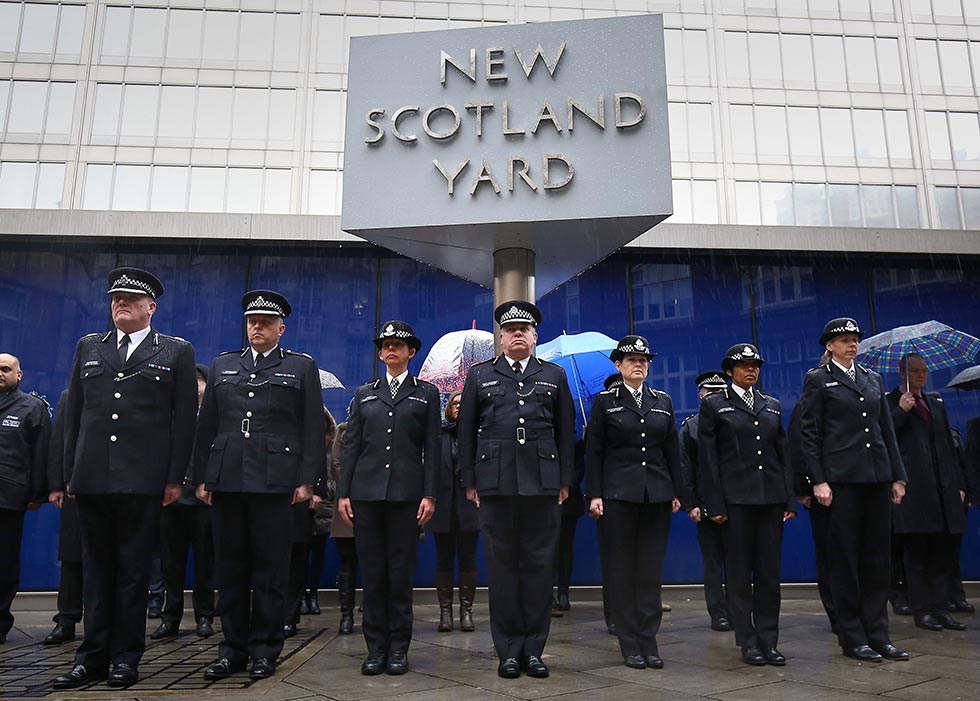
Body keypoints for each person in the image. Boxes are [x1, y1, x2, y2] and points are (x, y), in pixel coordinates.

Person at [54, 268, 198, 689]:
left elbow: (184, 421)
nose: (120, 303)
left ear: (150, 308)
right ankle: (91, 656)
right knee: (95, 570)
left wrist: (175, 478)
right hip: (93, 476)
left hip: (143, 479)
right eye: (115, 297)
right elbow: (74, 417)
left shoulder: (174, 351)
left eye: (130, 300)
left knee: (134, 571)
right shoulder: (89, 347)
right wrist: (69, 474)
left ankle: (125, 657)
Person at [194, 290, 325, 681]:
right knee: (230, 569)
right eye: (252, 321)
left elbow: (311, 428)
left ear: (280, 328)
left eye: (266, 322)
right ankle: (232, 648)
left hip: (275, 482)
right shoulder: (223, 365)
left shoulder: (300, 367)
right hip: (229, 478)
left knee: (270, 571)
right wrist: (200, 476)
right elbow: (208, 425)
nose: (257, 327)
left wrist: (307, 480)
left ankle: (265, 649)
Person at [459, 300, 575, 679]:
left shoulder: (554, 376)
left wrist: (563, 481)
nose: (518, 334)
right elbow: (466, 433)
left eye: (525, 329)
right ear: (502, 338)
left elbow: (565, 433)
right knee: (503, 567)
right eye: (511, 330)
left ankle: (534, 649)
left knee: (540, 568)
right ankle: (508, 650)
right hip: (496, 485)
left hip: (542, 485)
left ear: (535, 337)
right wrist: (471, 481)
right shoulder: (480, 376)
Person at [799, 317, 909, 663]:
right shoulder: (818, 380)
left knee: (877, 560)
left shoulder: (871, 378)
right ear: (829, 345)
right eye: (844, 339)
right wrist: (818, 479)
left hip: (875, 477)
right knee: (844, 562)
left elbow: (885, 430)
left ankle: (879, 634)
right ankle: (852, 636)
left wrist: (897, 476)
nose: (851, 344)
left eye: (854, 339)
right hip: (841, 481)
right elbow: (809, 433)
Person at [337, 320, 441, 676]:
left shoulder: (426, 394)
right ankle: (375, 647)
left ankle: (398, 647)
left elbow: (432, 448)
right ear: (380, 352)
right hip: (366, 496)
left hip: (405, 498)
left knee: (399, 574)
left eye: (398, 344)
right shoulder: (364, 394)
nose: (391, 349)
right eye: (385, 344)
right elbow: (351, 448)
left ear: (411, 351)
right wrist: (343, 493)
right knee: (374, 574)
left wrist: (430, 494)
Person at [585, 335, 683, 670]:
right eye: (631, 360)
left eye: (643, 359)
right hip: (618, 496)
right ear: (618, 365)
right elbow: (594, 452)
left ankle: (648, 639)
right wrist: (594, 494)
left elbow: (672, 450)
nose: (639, 364)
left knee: (650, 570)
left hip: (656, 494)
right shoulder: (605, 403)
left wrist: (677, 492)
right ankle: (629, 642)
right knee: (623, 569)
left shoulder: (662, 401)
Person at [698, 344, 796, 667]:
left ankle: (769, 639)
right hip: (736, 503)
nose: (751, 369)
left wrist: (788, 498)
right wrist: (714, 503)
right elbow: (708, 459)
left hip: (769, 500)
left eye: (755, 365)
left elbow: (783, 455)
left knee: (770, 573)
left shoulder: (772, 406)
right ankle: (748, 640)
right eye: (743, 366)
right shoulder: (715, 405)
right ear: (730, 371)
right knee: (739, 574)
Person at [887, 353, 968, 632]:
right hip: (913, 488)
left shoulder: (935, 402)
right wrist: (901, 411)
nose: (921, 375)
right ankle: (922, 609)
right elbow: (885, 439)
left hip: (941, 487)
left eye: (924, 370)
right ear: (902, 373)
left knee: (941, 550)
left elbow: (946, 444)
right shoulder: (889, 402)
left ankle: (941, 607)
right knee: (915, 552)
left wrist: (958, 484)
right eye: (915, 371)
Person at [151, 363, 215, 640]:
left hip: (202, 502)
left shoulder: (213, 417)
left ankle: (204, 617)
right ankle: (170, 617)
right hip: (172, 502)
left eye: (199, 381)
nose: (194, 387)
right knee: (171, 564)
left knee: (204, 565)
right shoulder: (171, 415)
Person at [0, 353, 51, 644]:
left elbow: (41, 454)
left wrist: (37, 494)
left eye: (6, 369)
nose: (0, 373)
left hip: (9, 498)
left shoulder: (32, 408)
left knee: (4, 564)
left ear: (19, 375)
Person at [425, 389, 480, 633]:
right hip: (443, 504)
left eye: (463, 402)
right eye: (454, 402)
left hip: (469, 505)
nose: (458, 406)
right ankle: (445, 612)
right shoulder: (438, 435)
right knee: (443, 558)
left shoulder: (477, 435)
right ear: (448, 407)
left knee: (468, 557)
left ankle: (466, 611)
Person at [680, 370, 730, 632]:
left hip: (735, 502)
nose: (716, 398)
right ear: (701, 395)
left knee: (738, 561)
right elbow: (685, 468)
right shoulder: (691, 426)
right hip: (707, 504)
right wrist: (693, 504)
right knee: (713, 562)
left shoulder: (735, 420)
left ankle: (737, 608)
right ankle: (718, 612)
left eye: (720, 392)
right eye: (711, 393)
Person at [284, 407, 336, 637]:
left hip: (304, 502)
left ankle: (290, 615)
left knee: (299, 558)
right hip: (278, 495)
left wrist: (317, 489)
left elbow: (322, 461)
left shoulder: (316, 424)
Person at [44, 389, 83, 646]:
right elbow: (59, 439)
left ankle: (106, 620)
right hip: (75, 489)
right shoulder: (71, 395)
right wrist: (56, 484)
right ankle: (67, 620)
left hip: (117, 487)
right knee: (72, 557)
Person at [329, 411, 359, 634]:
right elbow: (336, 463)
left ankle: (371, 609)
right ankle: (346, 615)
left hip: (374, 501)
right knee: (347, 563)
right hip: (348, 501)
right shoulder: (344, 430)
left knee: (374, 563)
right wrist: (349, 489)